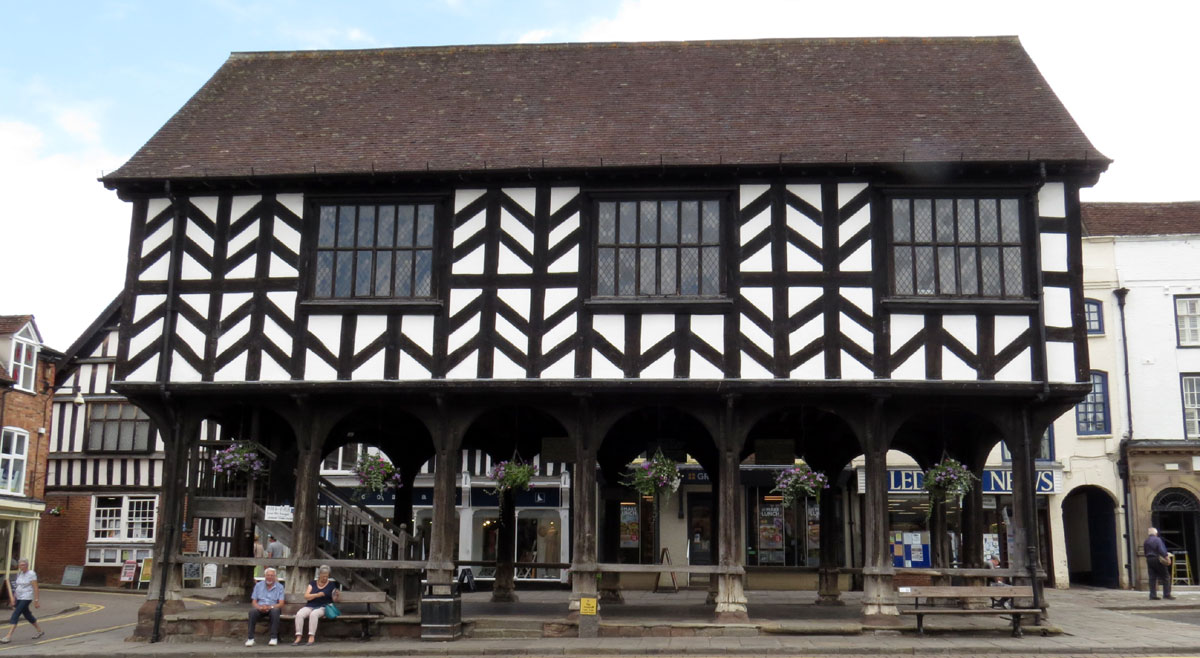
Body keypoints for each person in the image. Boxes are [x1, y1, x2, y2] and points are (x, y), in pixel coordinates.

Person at [0, 559, 44, 644]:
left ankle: (8, 636)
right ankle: (40, 631)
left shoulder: (31, 574)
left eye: (23, 565)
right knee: (27, 615)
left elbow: (35, 588)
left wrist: (36, 600)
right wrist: (13, 597)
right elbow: (18, 587)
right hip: (19, 597)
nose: (21, 567)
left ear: (27, 565)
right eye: (20, 565)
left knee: (16, 613)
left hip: (27, 597)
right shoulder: (19, 573)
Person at [293, 565, 339, 645]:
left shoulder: (331, 585)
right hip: (310, 605)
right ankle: (298, 636)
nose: (325, 578)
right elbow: (306, 596)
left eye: (327, 576)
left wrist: (336, 596)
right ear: (319, 574)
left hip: (323, 607)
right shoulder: (312, 583)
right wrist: (317, 595)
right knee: (299, 614)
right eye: (323, 576)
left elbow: (334, 600)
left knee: (313, 614)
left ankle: (311, 636)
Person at [245, 567, 285, 647]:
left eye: (272, 575)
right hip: (260, 607)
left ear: (275, 577)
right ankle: (250, 638)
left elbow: (281, 603)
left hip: (272, 607)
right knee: (252, 612)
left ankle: (274, 638)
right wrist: (259, 607)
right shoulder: (258, 585)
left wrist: (270, 607)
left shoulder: (280, 587)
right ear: (265, 576)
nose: (270, 577)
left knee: (275, 611)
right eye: (268, 575)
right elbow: (254, 601)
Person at [1144, 527, 1175, 600]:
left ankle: (1152, 595)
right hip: (1157, 559)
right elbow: (1161, 550)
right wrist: (1167, 558)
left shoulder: (1146, 541)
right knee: (1166, 576)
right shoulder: (1158, 540)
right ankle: (1167, 594)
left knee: (1152, 578)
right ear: (1156, 533)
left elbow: (1145, 551)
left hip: (1149, 559)